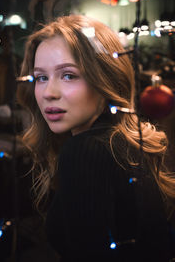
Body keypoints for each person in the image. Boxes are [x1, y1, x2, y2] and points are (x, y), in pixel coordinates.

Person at [17, 14, 175, 262]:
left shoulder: (86, 150)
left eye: (68, 75)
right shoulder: (122, 140)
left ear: (105, 79)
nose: (48, 93)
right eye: (41, 77)